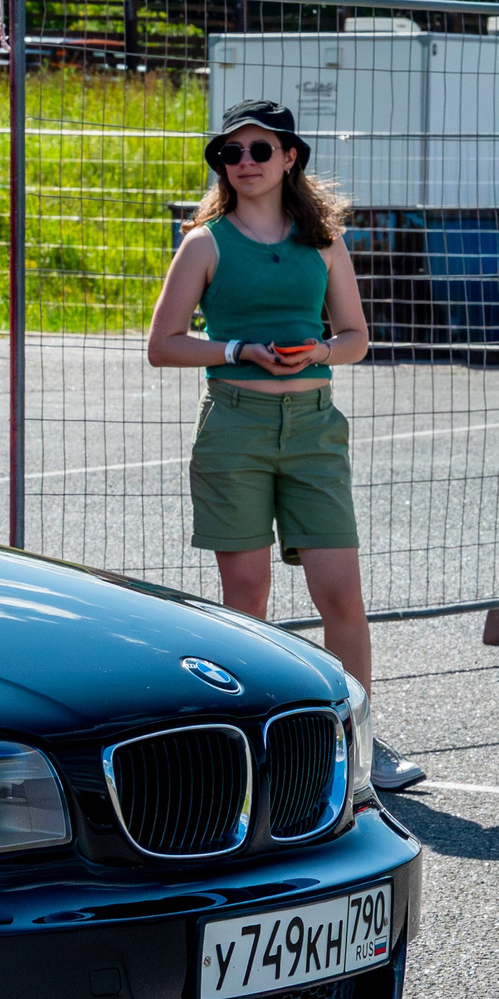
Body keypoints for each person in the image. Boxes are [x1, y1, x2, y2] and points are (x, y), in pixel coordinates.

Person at [147, 99, 423, 792]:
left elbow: (356, 336)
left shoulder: (323, 239)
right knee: (246, 602)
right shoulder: (205, 242)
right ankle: (253, 753)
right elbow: (163, 344)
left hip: (313, 431)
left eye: (258, 150)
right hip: (234, 428)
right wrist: (240, 348)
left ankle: (359, 748)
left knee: (342, 600)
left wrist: (319, 350)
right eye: (230, 154)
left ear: (290, 157)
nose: (243, 164)